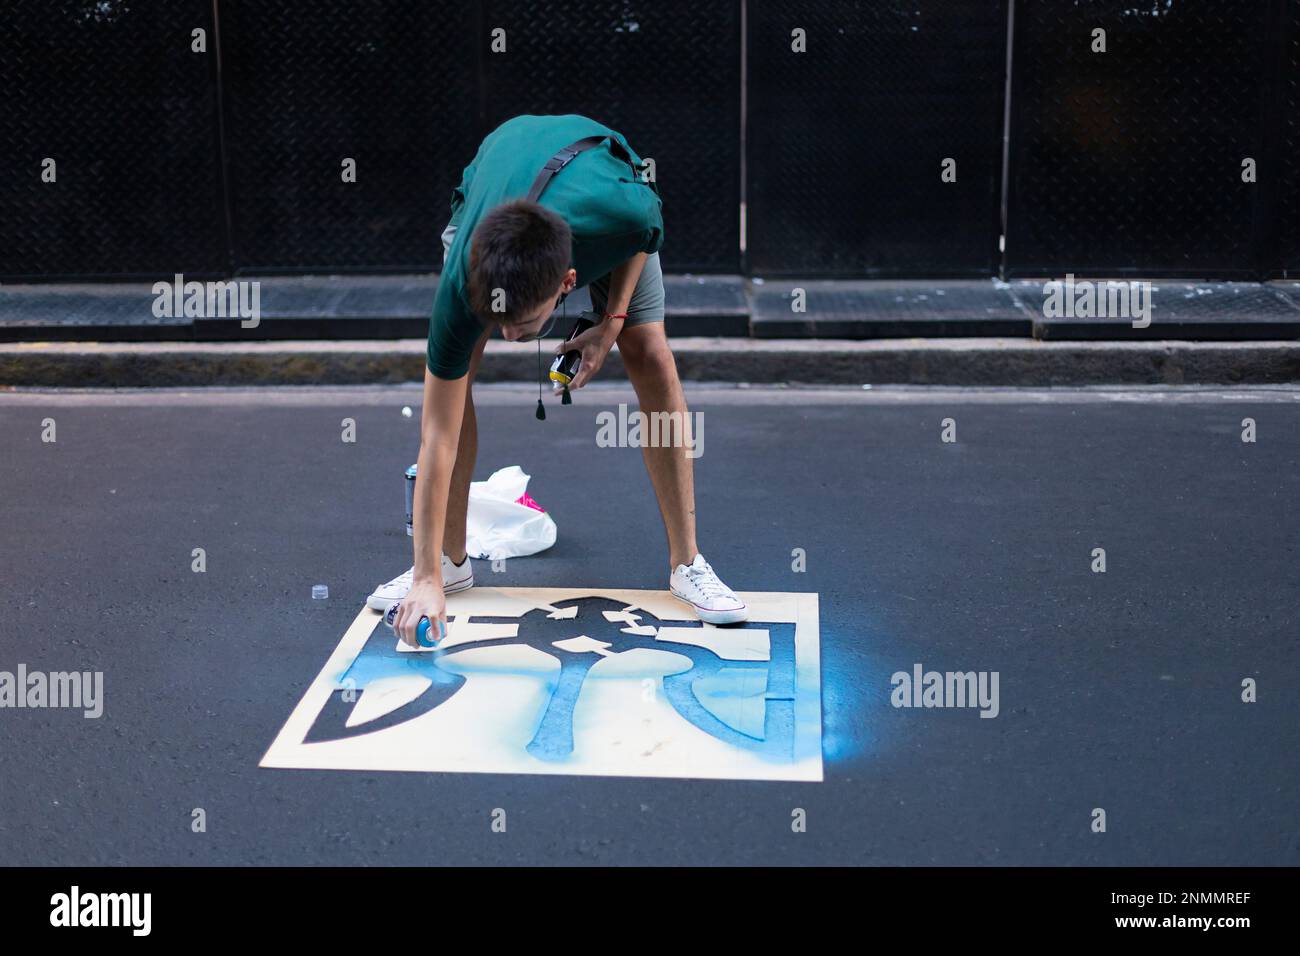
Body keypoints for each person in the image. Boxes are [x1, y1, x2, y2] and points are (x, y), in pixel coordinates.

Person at [374, 114, 747, 647]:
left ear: (569, 282)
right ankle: (447, 567)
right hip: (494, 178)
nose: (508, 336)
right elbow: (436, 434)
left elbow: (645, 230)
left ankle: (687, 563)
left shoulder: (622, 215)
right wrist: (424, 580)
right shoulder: (463, 280)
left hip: (600, 184)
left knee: (649, 352)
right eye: (500, 319)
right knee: (462, 366)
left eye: (522, 325)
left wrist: (610, 326)